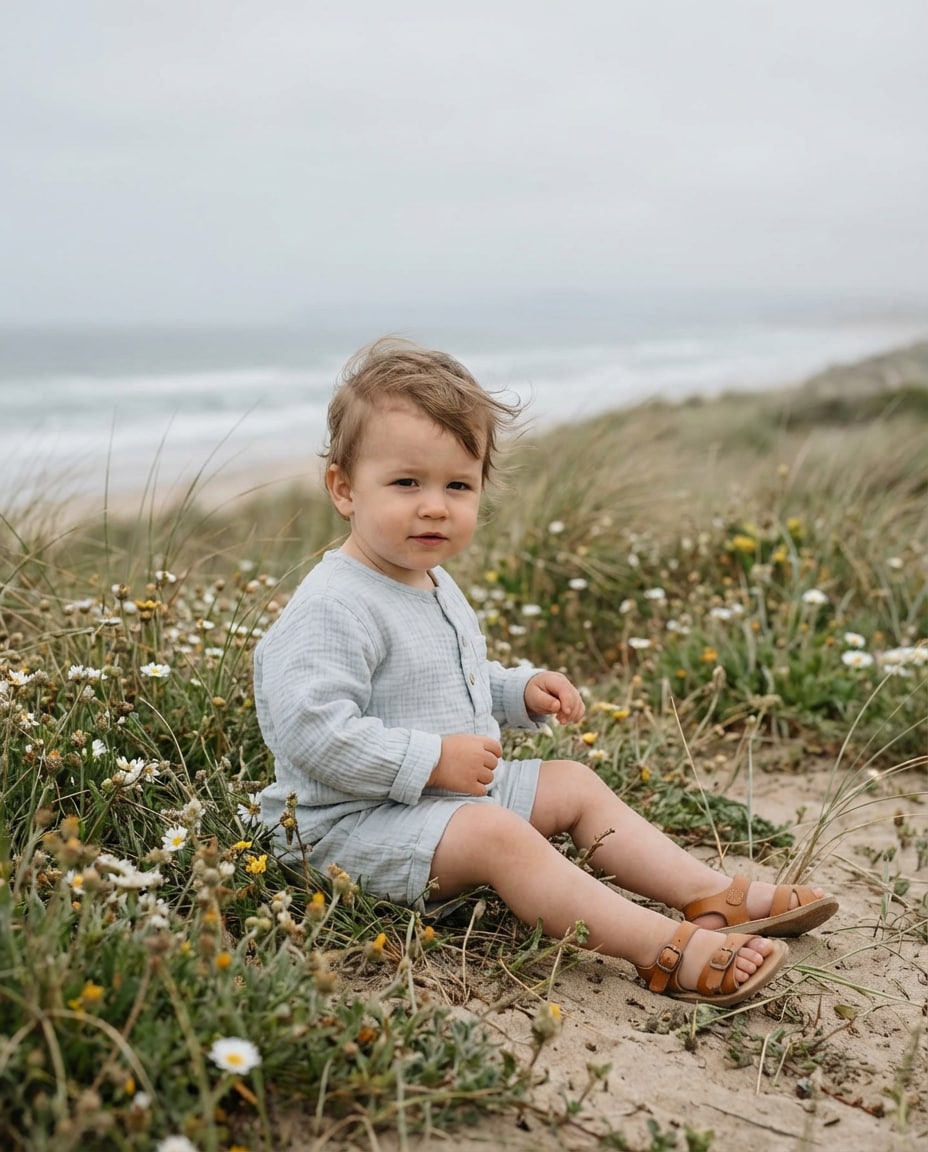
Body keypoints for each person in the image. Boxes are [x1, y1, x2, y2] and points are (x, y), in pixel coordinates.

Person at [254, 337, 838, 1006]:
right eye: (406, 482)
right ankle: (662, 951)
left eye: (458, 485)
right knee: (499, 835)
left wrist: (516, 691)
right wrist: (434, 760)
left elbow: (447, 679)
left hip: (436, 806)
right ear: (343, 488)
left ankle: (709, 895)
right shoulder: (332, 604)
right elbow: (314, 733)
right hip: (344, 831)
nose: (435, 505)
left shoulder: (429, 580)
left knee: (574, 785)